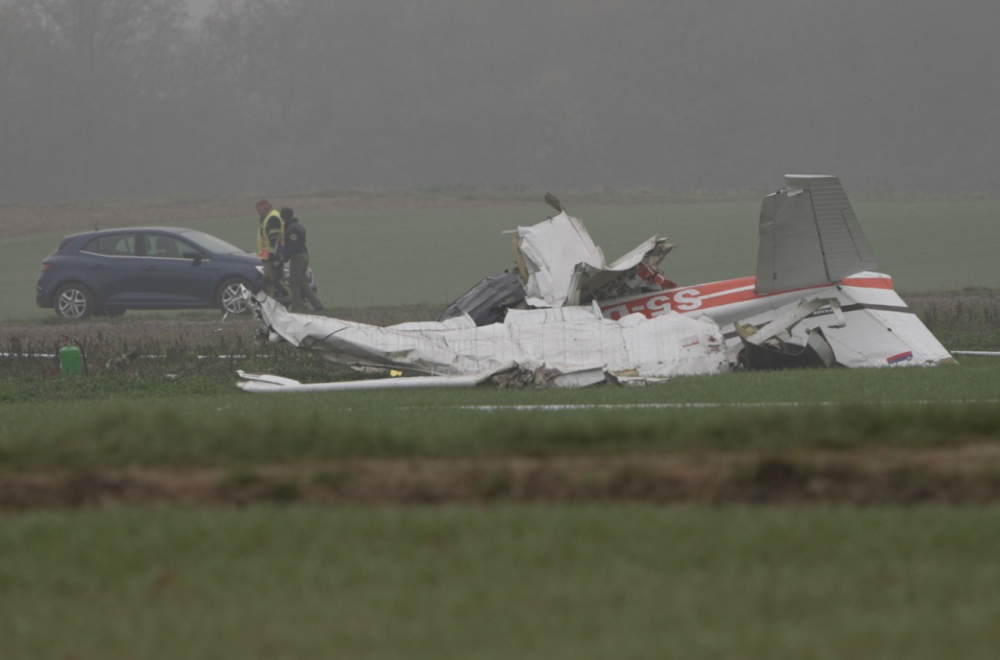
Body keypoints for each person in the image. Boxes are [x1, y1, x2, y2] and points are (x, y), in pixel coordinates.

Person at [278, 207, 324, 312]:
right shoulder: (297, 226)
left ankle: (297, 307)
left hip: (297, 258)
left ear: (284, 216)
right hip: (303, 256)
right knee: (303, 283)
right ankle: (318, 305)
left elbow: (293, 246)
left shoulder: (291, 229)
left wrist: (284, 257)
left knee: (294, 283)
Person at [254, 199, 285, 296]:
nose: (258, 213)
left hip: (272, 256)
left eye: (259, 210)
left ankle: (271, 301)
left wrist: (273, 255)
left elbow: (275, 238)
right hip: (271, 255)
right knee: (275, 279)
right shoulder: (270, 216)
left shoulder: (272, 218)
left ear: (264, 206)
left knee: (269, 280)